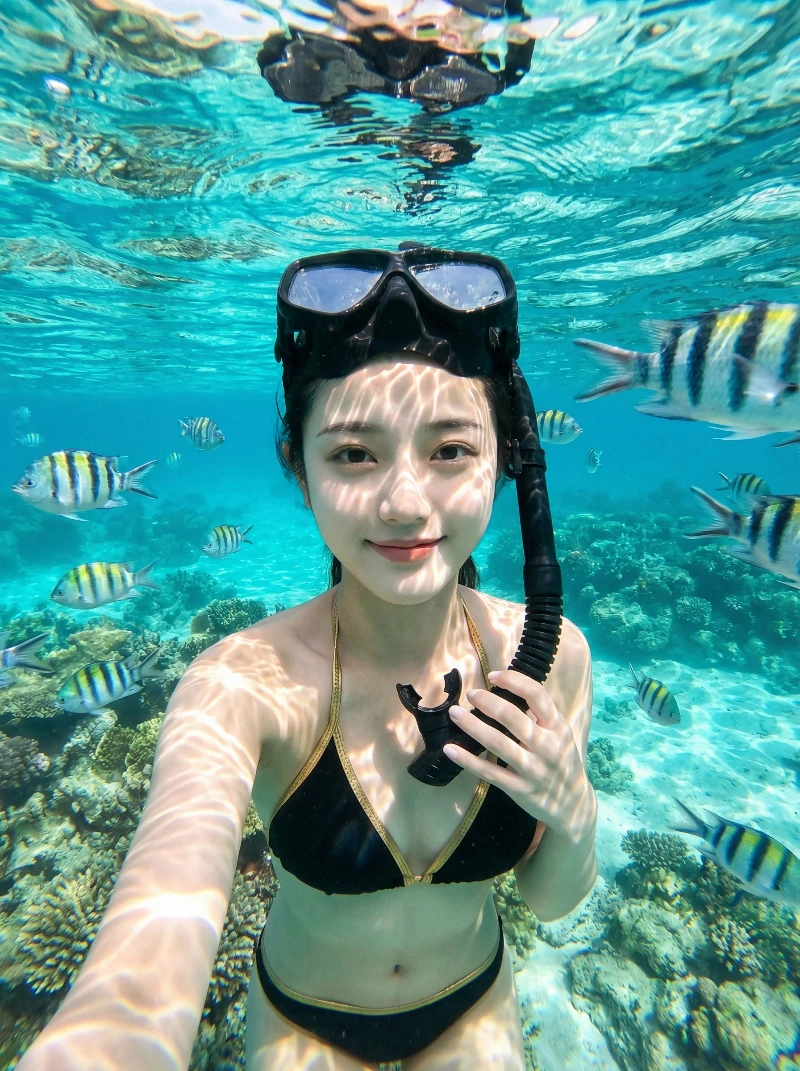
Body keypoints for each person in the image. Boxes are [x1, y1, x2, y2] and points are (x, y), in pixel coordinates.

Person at [17, 245, 596, 1071]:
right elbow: (144, 955)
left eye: (451, 450)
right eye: (354, 453)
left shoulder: (556, 657)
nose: (404, 502)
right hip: (304, 1024)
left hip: (477, 1007)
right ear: (298, 468)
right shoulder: (237, 684)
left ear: (506, 458)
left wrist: (576, 811)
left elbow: (552, 896)